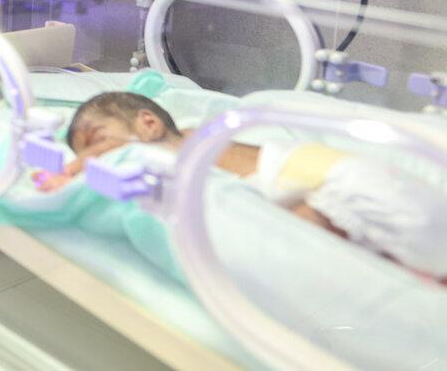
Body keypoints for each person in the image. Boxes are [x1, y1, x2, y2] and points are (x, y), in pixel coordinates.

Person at [44, 91, 447, 282]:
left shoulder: (189, 145)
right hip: (335, 190)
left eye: (99, 140)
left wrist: (82, 167)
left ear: (149, 124)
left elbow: (148, 160)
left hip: (345, 183)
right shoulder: (195, 142)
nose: (99, 155)